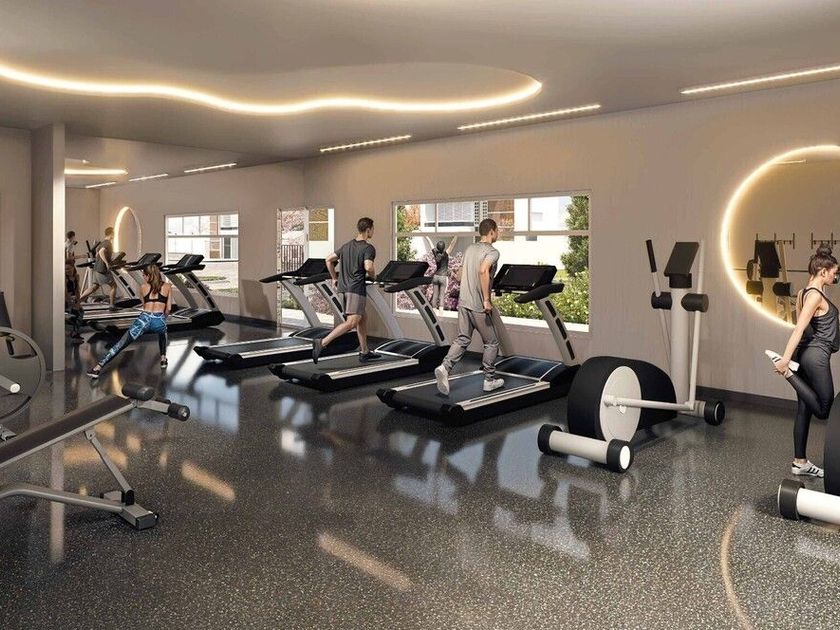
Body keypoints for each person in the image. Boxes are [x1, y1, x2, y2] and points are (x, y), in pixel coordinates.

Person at [766, 244, 840, 478]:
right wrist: (785, 361)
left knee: (804, 409)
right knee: (824, 409)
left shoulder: (804, 293)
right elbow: (799, 329)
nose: (835, 276)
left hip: (807, 352)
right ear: (823, 272)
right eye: (834, 272)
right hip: (815, 356)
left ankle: (800, 462)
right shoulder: (815, 296)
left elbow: (808, 329)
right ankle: (788, 373)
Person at [434, 218, 504, 395]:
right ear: (492, 231)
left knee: (463, 338)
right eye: (497, 231)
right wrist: (486, 299)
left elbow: (459, 276)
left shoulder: (470, 249)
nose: (498, 233)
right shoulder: (493, 252)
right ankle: (489, 380)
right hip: (478, 305)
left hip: (463, 303)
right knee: (491, 342)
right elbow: (483, 270)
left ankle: (445, 367)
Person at [312, 217, 379, 364]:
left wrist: (334, 278)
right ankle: (322, 342)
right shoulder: (368, 248)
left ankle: (364, 351)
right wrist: (374, 276)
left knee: (362, 318)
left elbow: (328, 260)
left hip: (343, 288)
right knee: (352, 322)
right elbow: (368, 267)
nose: (373, 232)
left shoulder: (346, 246)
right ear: (368, 230)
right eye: (372, 229)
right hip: (355, 289)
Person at [87, 264, 171, 377]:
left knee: (121, 344)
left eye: (144, 275)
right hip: (159, 320)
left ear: (148, 276)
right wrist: (162, 320)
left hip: (144, 320)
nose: (143, 277)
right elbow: (168, 308)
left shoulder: (143, 287)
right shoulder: (167, 286)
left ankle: (98, 367)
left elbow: (144, 306)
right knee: (163, 331)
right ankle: (163, 359)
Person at [80, 227, 116, 305]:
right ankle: (112, 305)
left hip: (96, 268)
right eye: (114, 233)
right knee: (113, 286)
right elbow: (101, 252)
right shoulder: (108, 243)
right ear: (111, 234)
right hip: (102, 269)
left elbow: (97, 254)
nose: (114, 235)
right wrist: (106, 263)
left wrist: (107, 259)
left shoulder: (102, 243)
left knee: (94, 287)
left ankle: (78, 301)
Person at [64, 261, 84, 343]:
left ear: (73, 268)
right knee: (75, 312)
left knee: (81, 311)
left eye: (69, 269)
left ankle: (75, 332)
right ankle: (73, 333)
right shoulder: (64, 279)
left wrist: (78, 303)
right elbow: (65, 293)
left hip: (72, 298)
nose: (67, 271)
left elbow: (77, 291)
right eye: (65, 269)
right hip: (65, 300)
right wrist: (71, 304)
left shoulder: (76, 277)